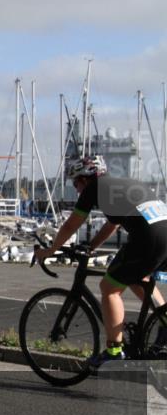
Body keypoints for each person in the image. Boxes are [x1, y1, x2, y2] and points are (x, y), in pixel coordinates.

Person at [35, 155, 167, 365]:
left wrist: (50, 250)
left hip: (148, 239)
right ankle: (164, 319)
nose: (77, 189)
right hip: (163, 233)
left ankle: (115, 350)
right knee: (135, 276)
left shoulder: (94, 188)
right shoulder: (120, 183)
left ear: (85, 178)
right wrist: (91, 246)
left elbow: (71, 225)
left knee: (109, 287)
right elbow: (112, 224)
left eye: (76, 183)